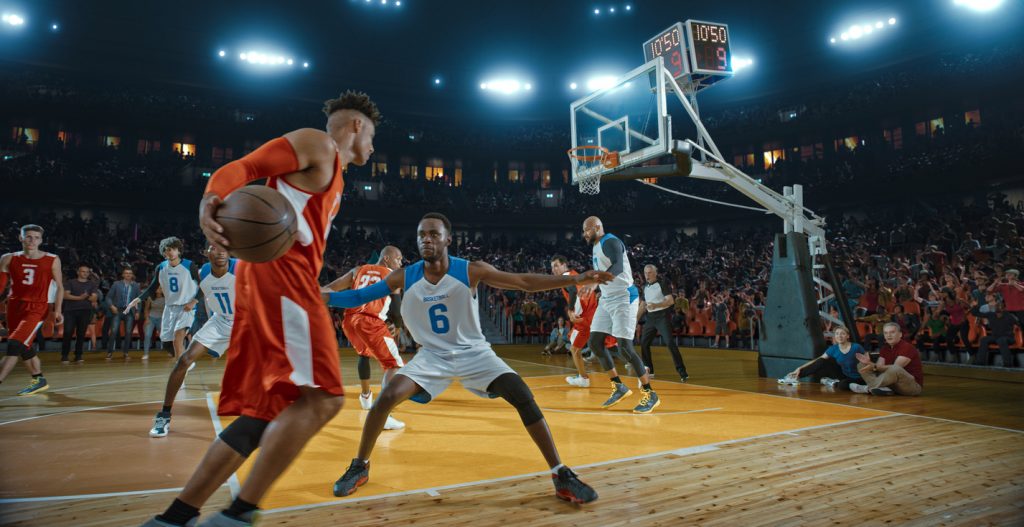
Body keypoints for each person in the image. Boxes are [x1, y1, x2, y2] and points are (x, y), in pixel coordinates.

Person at [140, 90, 380, 527]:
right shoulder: (318, 143)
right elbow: (247, 167)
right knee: (325, 400)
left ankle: (174, 518)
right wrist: (210, 198)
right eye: (373, 138)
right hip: (283, 279)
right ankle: (240, 513)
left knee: (266, 413)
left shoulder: (336, 174)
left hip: (270, 280)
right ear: (357, 126)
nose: (372, 148)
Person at [327, 213, 606, 504]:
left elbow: (523, 282)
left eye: (434, 234)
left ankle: (560, 473)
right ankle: (360, 466)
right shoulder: (404, 275)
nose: (427, 239)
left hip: (475, 353)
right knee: (387, 396)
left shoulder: (470, 270)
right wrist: (325, 297)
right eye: (422, 234)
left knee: (522, 394)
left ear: (448, 239)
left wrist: (579, 279)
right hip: (432, 356)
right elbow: (358, 298)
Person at [149, 246, 237, 438]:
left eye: (225, 248)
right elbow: (202, 293)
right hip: (221, 321)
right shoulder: (203, 271)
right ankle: (164, 416)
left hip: (247, 321)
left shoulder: (242, 268)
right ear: (206, 252)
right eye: (215, 248)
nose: (221, 252)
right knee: (184, 360)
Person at [323, 246, 406, 430]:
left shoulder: (357, 270)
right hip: (370, 321)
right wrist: (398, 325)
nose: (400, 263)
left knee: (364, 354)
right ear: (386, 259)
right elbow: (396, 306)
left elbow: (331, 288)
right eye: (398, 259)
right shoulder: (393, 274)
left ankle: (366, 396)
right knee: (395, 365)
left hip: (350, 320)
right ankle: (382, 415)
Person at [582, 216, 660, 413]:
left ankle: (650, 393)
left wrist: (595, 282)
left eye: (587, 230)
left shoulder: (611, 241)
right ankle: (618, 385)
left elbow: (617, 267)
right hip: (607, 299)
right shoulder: (596, 246)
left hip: (624, 298)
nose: (584, 234)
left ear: (597, 227)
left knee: (625, 347)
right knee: (594, 342)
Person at [0, 224, 63, 395]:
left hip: (37, 308)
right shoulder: (8, 258)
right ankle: (38, 379)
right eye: (28, 237)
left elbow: (59, 287)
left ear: (41, 240)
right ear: (21, 238)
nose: (32, 240)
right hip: (14, 306)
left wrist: (58, 310)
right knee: (23, 345)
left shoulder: (52, 259)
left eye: (36, 237)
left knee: (14, 344)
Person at [126, 237, 200, 361]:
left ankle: (180, 371)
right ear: (163, 253)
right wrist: (137, 299)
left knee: (178, 338)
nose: (170, 252)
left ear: (179, 251)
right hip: (170, 308)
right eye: (167, 250)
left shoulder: (189, 265)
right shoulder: (161, 267)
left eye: (173, 249)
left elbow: (203, 286)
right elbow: (152, 287)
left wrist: (194, 301)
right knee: (166, 341)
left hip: (186, 307)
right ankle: (185, 362)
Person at [638, 264, 689, 382]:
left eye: (650, 273)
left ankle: (682, 371)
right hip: (650, 318)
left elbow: (670, 301)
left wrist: (657, 305)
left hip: (662, 317)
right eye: (645, 273)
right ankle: (649, 370)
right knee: (644, 343)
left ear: (655, 273)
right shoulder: (645, 286)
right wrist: (634, 320)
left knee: (670, 343)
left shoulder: (662, 283)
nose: (647, 275)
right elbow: (643, 305)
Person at [778, 326, 864, 391]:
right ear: (835, 336)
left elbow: (867, 361)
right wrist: (800, 368)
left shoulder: (856, 347)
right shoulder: (833, 348)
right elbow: (819, 360)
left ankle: (832, 382)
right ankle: (795, 377)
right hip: (843, 375)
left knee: (842, 386)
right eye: (837, 334)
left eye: (843, 333)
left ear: (848, 336)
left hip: (858, 377)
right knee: (823, 360)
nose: (840, 336)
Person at [852, 322, 923, 396]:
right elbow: (879, 367)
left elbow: (895, 369)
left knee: (895, 368)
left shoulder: (907, 347)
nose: (888, 335)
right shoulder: (885, 348)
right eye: (886, 333)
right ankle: (881, 388)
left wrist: (873, 365)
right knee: (861, 365)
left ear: (900, 334)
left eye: (892, 332)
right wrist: (869, 363)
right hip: (892, 384)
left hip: (911, 386)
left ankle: (868, 388)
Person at [61, 263, 98, 364]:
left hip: (85, 311)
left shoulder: (92, 284)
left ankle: (78, 355)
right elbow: (65, 296)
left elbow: (94, 298)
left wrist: (87, 297)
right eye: (83, 271)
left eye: (87, 272)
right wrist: (81, 298)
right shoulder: (70, 282)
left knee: (81, 334)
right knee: (68, 332)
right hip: (70, 311)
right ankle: (64, 355)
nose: (85, 273)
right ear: (78, 272)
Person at [971, 299, 1021, 367]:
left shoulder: (1009, 316)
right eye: (997, 306)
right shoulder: (991, 314)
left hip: (1008, 338)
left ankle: (1007, 364)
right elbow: (976, 313)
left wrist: (1017, 328)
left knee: (1001, 340)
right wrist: (975, 306)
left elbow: (1019, 324)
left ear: (1004, 308)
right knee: (984, 339)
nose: (999, 308)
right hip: (996, 337)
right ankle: (980, 362)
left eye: (1001, 306)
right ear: (995, 308)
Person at [106, 267, 141, 360]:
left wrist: (137, 311)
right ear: (123, 275)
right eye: (126, 273)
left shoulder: (136, 286)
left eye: (130, 273)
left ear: (132, 275)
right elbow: (108, 297)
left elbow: (138, 300)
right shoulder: (116, 284)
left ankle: (125, 352)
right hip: (118, 309)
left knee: (128, 332)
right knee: (113, 331)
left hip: (129, 311)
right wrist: (111, 306)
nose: (128, 275)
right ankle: (109, 352)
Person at [142, 287, 166, 360]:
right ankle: (146, 354)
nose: (158, 290)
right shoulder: (150, 298)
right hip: (151, 317)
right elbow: (146, 309)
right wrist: (146, 319)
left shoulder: (166, 298)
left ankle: (170, 351)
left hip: (161, 318)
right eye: (157, 288)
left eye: (161, 288)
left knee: (164, 335)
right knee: (147, 335)